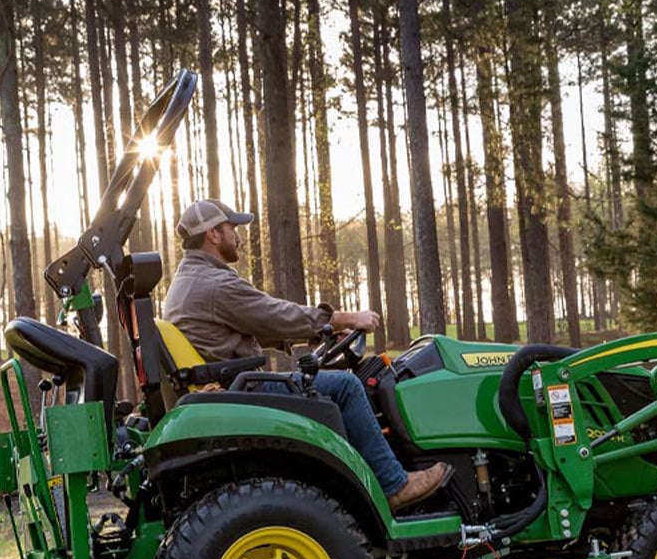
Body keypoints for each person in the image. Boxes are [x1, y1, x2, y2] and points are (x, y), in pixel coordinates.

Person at [162, 198, 450, 511]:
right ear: (213, 234)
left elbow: (244, 327)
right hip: (241, 390)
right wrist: (345, 318)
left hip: (227, 385)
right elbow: (274, 313)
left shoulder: (188, 281)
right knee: (347, 386)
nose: (238, 235)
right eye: (232, 228)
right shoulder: (214, 283)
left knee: (337, 385)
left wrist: (317, 336)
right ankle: (395, 484)